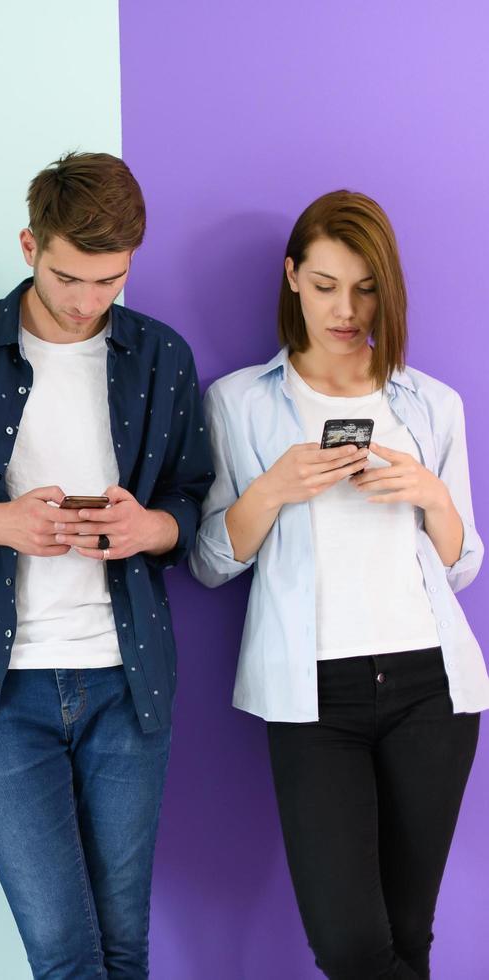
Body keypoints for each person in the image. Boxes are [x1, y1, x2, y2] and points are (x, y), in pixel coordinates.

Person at [0, 152, 213, 978]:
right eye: (68, 276)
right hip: (0, 687)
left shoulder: (161, 357)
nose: (86, 302)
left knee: (122, 945)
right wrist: (2, 522)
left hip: (125, 676)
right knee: (64, 952)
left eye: (109, 281)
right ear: (28, 245)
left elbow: (192, 498)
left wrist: (149, 528)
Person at [190, 190, 484, 980]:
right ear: (291, 278)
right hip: (312, 696)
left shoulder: (430, 404)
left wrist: (436, 499)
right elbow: (211, 562)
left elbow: (463, 567)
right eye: (324, 286)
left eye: (363, 289)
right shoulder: (241, 403)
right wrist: (274, 488)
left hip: (432, 688)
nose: (345, 310)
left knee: (409, 939)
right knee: (353, 947)